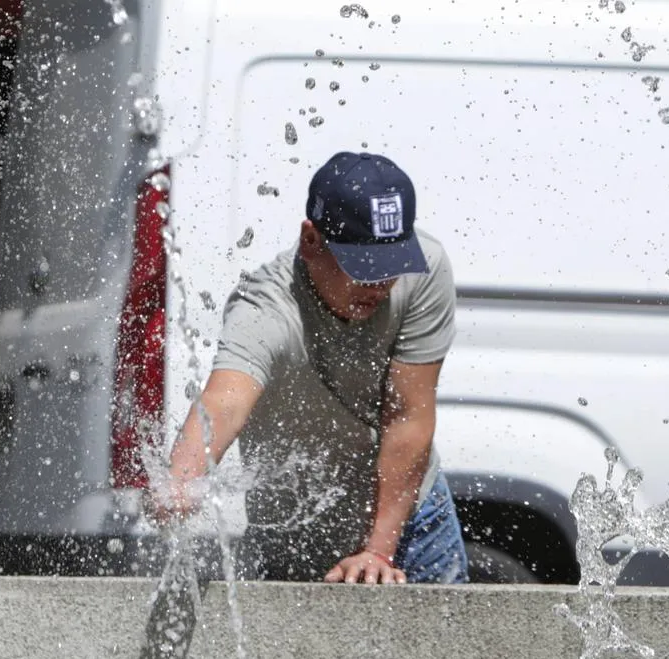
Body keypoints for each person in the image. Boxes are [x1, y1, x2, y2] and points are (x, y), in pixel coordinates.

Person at [150, 151, 468, 585]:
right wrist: (181, 482)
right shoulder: (265, 308)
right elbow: (225, 401)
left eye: (391, 268)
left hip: (411, 518)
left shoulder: (425, 271)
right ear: (311, 241)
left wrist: (378, 551)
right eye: (365, 268)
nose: (380, 285)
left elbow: (408, 417)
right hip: (296, 526)